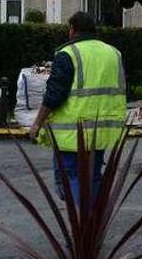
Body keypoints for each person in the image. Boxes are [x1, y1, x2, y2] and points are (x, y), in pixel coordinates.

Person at [29, 12, 127, 205]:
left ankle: (81, 224)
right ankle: (93, 222)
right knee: (94, 175)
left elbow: (54, 94)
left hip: (73, 130)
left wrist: (37, 123)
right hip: (103, 129)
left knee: (72, 175)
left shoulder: (68, 54)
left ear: (72, 30)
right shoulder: (113, 53)